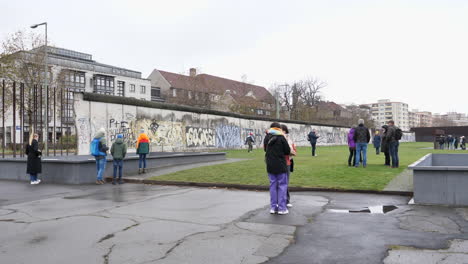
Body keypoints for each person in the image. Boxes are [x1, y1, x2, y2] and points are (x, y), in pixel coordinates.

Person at [264, 122, 291, 215]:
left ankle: (273, 207)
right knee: (282, 186)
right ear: (279, 128)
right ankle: (282, 208)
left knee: (273, 186)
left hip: (270, 165)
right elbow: (287, 151)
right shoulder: (281, 137)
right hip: (280, 165)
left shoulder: (267, 137)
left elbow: (265, 149)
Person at [281, 124, 296, 208]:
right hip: (278, 162)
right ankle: (279, 200)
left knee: (285, 182)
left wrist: (289, 151)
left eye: (282, 130)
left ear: (285, 131)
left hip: (287, 162)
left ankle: (286, 200)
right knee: (278, 183)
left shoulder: (289, 140)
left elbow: (294, 152)